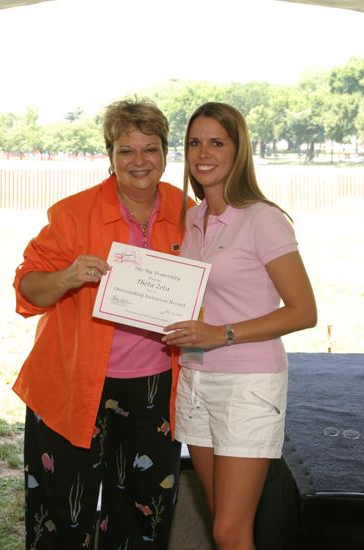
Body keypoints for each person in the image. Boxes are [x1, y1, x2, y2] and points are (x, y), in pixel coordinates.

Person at [13, 97, 194, 550]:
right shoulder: (73, 214)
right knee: (63, 514)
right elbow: (28, 289)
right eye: (125, 150)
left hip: (153, 387)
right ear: (109, 156)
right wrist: (68, 276)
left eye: (149, 149)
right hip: (71, 386)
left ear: (165, 153)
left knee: (142, 512)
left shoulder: (191, 213)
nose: (138, 161)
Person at [162, 102, 317, 550]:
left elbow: (304, 311)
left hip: (248, 384)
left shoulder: (262, 218)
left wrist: (222, 334)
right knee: (223, 525)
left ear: (238, 150)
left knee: (231, 532)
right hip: (196, 379)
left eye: (216, 142)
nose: (203, 152)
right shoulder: (192, 218)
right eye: (194, 142)